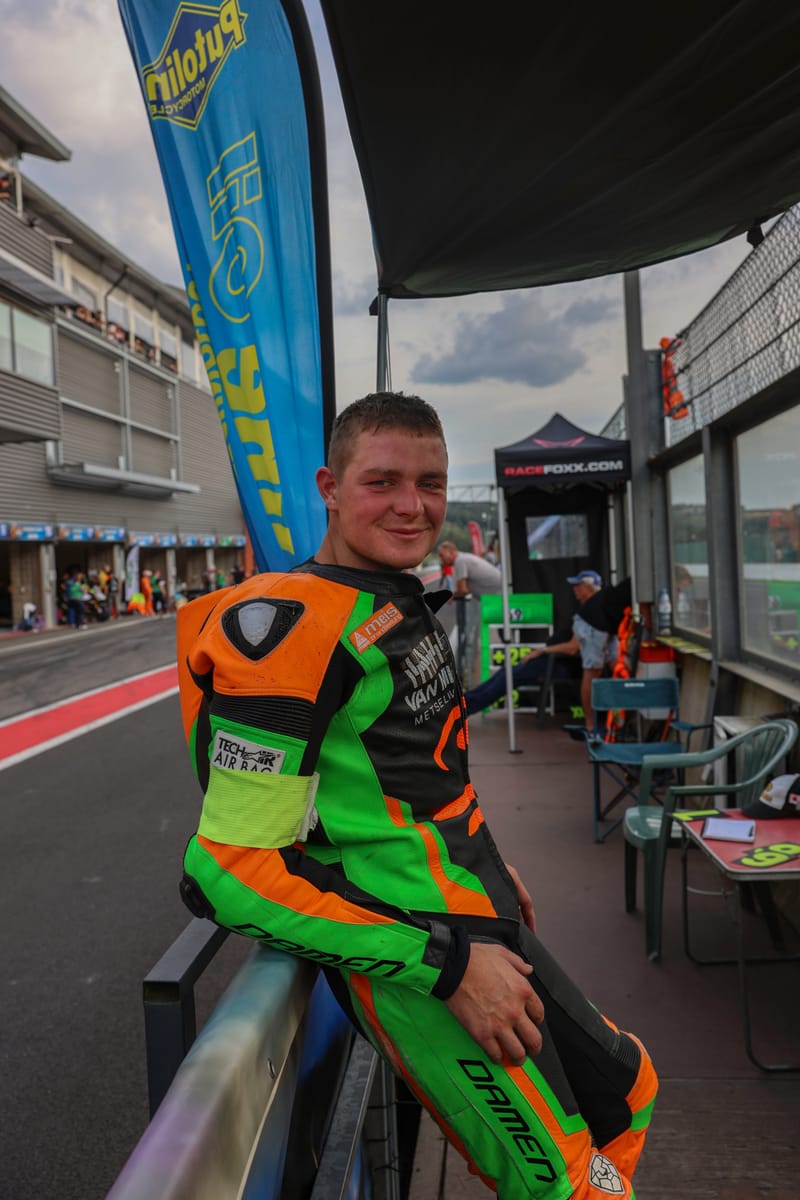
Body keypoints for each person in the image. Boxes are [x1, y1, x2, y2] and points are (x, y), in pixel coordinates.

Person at [177, 393, 656, 1199]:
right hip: (427, 959)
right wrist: (448, 966)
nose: (412, 505)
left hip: (480, 913)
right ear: (330, 486)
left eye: (430, 482)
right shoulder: (290, 628)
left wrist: (494, 870)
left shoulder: (390, 591)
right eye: (383, 481)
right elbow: (225, 873)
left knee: (629, 1099)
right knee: (577, 1187)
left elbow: (423, 778)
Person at [524, 572, 632, 734]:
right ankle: (592, 725)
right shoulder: (587, 614)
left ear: (588, 588)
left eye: (577, 586)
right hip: (598, 628)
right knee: (593, 671)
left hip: (607, 627)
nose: (574, 590)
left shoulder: (597, 606)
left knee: (619, 667)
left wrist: (541, 650)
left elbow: (572, 647)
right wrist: (542, 650)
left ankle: (621, 717)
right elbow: (572, 647)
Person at [464, 622, 581, 716]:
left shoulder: (588, 616)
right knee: (506, 672)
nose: (576, 592)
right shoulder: (581, 614)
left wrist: (542, 651)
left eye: (578, 590)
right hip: (547, 659)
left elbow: (572, 648)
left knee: (507, 677)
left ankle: (466, 707)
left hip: (557, 663)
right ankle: (465, 700)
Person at [437, 540, 502, 598]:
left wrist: (449, 597)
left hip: (498, 598)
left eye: (441, 555)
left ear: (451, 552)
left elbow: (462, 590)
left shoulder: (460, 561)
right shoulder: (462, 558)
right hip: (498, 595)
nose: (441, 559)